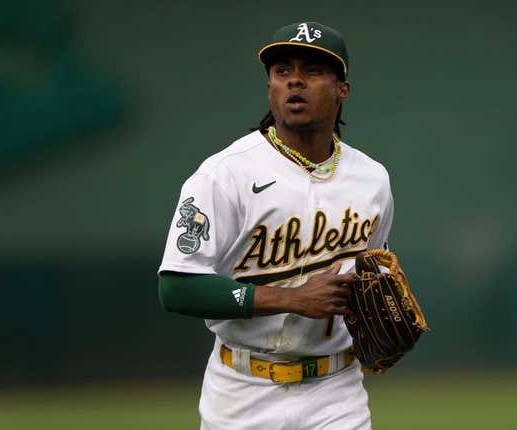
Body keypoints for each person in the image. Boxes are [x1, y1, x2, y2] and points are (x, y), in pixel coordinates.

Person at [158, 21, 394, 430]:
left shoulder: (372, 179)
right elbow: (177, 287)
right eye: (282, 71)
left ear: (342, 90)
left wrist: (378, 309)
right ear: (270, 86)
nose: (295, 81)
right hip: (241, 391)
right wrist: (293, 299)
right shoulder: (223, 174)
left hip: (336, 391)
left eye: (313, 71)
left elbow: (369, 273)